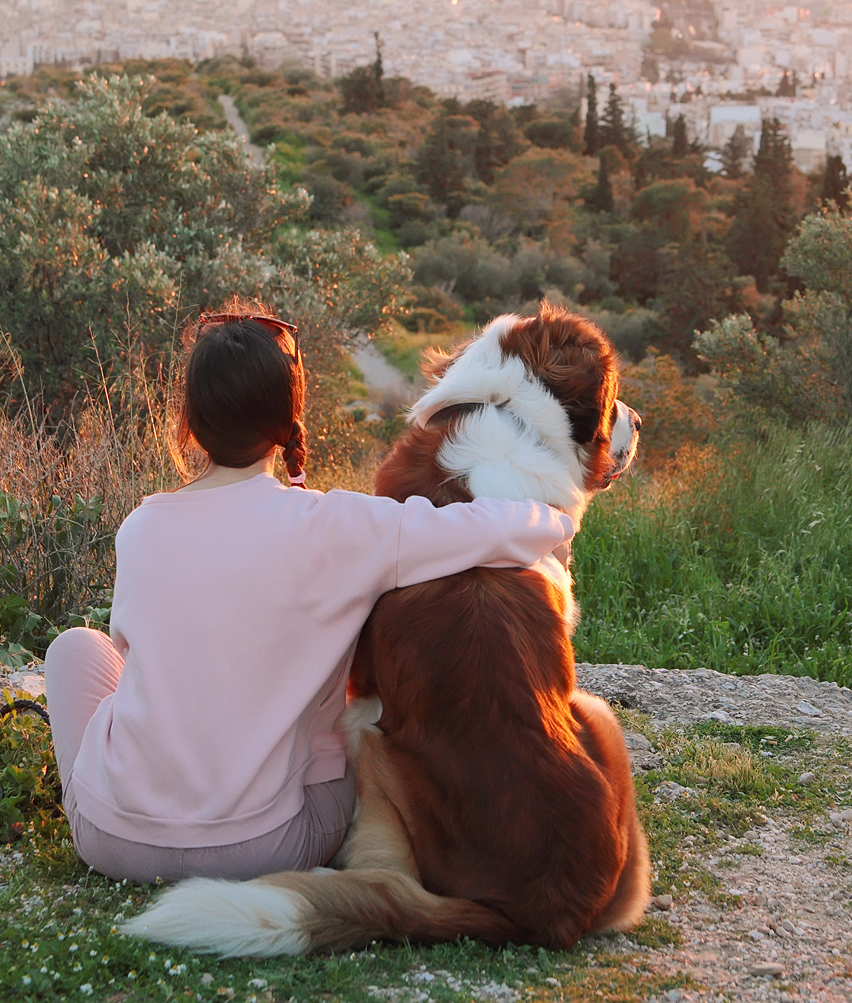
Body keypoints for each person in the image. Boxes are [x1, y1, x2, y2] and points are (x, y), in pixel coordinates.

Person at [44, 303, 575, 883]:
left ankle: (132, 791)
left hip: (115, 843)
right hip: (270, 846)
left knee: (75, 648)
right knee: (341, 710)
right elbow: (495, 528)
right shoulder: (338, 527)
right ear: (289, 420)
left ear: (189, 423)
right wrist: (554, 518)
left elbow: (130, 654)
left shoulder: (140, 530)